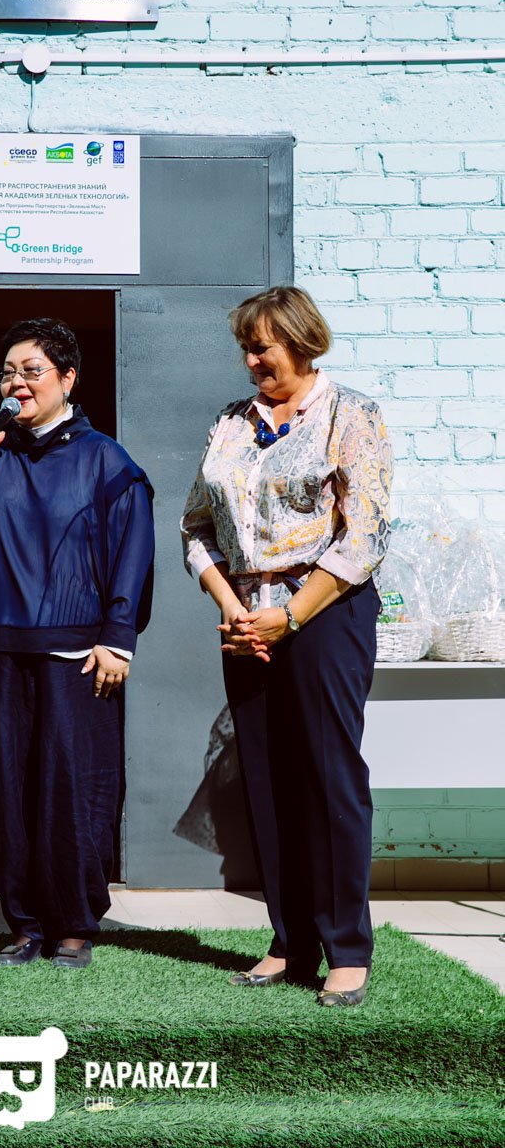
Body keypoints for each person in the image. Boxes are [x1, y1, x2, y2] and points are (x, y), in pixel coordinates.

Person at [181, 286, 392, 1008]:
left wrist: (290, 615)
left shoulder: (350, 413)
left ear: (301, 342)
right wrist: (235, 608)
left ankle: (347, 949)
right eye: (244, 348)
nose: (250, 361)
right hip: (246, 620)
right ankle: (289, 939)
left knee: (328, 775)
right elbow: (195, 527)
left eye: (261, 347)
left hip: (324, 612)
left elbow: (365, 535)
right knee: (266, 779)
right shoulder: (229, 424)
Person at [0, 318, 154, 970]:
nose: (16, 384)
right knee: (6, 792)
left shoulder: (106, 461)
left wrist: (117, 639)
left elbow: (132, 555)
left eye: (31, 371)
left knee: (72, 790)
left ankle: (73, 925)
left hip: (75, 653)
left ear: (68, 378)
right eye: (7, 373)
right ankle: (23, 924)